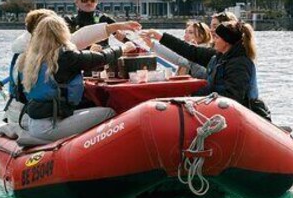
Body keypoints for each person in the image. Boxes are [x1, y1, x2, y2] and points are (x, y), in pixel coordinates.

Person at [16, 15, 136, 143]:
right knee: (109, 113)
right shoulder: (65, 56)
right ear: (62, 32)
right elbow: (102, 58)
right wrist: (124, 48)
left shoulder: (28, 58)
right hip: (50, 126)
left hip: (34, 123)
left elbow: (22, 96)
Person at [140, 20, 271, 121]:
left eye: (217, 38)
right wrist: (161, 37)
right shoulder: (218, 56)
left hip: (241, 116)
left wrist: (196, 96)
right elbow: (190, 51)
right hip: (214, 107)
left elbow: (233, 97)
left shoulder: (239, 64)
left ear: (226, 42)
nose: (214, 41)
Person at [143, 20, 212, 78]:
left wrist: (153, 44)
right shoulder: (188, 53)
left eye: (191, 33)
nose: (186, 36)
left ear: (203, 36)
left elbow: (179, 60)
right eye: (186, 32)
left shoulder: (204, 54)